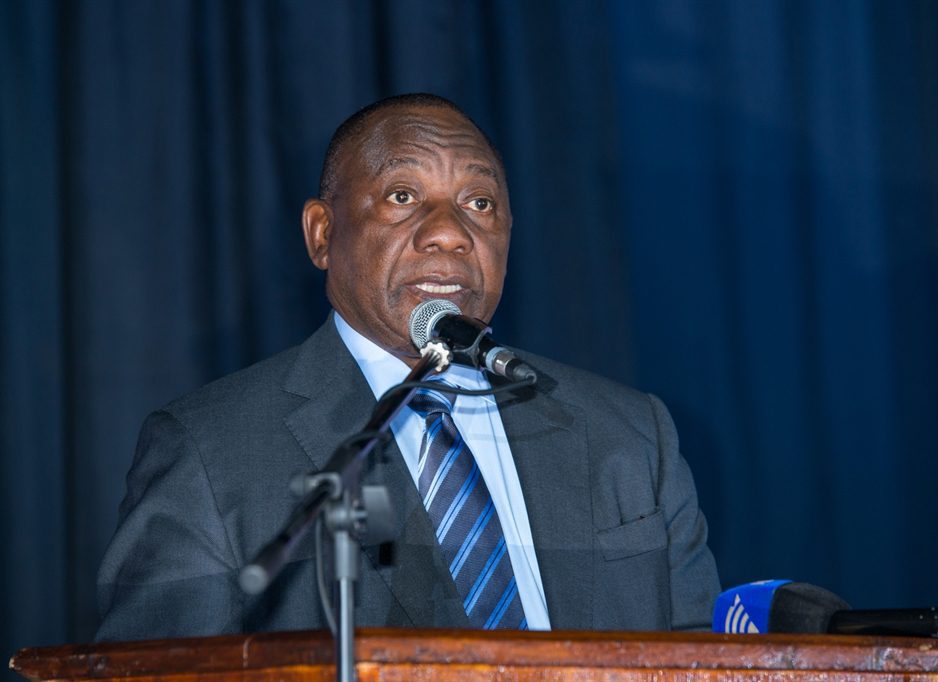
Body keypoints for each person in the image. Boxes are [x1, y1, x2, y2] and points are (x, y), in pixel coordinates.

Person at [95, 93, 719, 641]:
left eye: (479, 203)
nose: (449, 233)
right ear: (321, 234)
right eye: (402, 196)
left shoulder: (631, 434)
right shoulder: (210, 450)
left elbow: (704, 658)